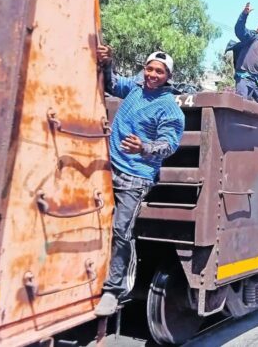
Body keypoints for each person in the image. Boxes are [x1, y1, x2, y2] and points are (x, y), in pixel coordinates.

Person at [94, 45, 185, 316]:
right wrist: (107, 61)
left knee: (122, 231)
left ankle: (114, 290)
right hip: (108, 168)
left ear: (168, 76)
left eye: (159, 71)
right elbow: (110, 84)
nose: (153, 74)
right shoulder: (134, 89)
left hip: (136, 177)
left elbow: (169, 145)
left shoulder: (170, 108)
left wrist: (143, 147)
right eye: (150, 69)